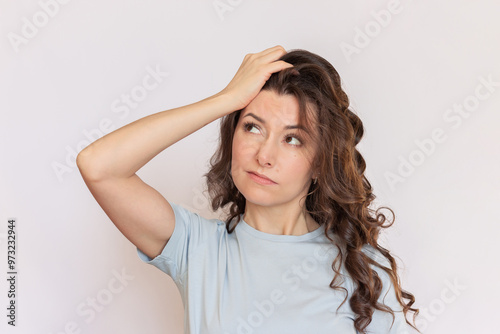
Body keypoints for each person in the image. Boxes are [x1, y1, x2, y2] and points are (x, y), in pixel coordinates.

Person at [77, 45, 420, 334]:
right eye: (253, 127)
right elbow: (99, 166)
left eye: (293, 138)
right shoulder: (197, 249)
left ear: (320, 163)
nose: (264, 156)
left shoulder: (361, 269)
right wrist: (227, 99)